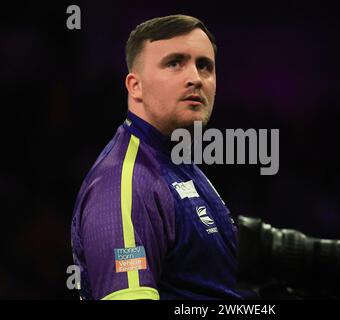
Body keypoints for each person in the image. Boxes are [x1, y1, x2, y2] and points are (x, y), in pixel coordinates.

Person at [71, 14, 243, 300]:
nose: (195, 79)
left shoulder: (178, 164)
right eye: (174, 63)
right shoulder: (123, 183)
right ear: (135, 86)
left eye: (204, 66)